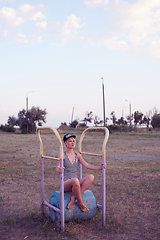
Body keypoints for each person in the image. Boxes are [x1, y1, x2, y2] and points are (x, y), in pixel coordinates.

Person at [56, 133, 106, 212]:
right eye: (70, 141)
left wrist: (99, 168)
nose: (72, 142)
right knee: (75, 180)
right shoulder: (62, 154)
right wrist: (59, 170)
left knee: (91, 177)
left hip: (75, 183)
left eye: (73, 141)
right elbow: (57, 167)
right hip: (65, 183)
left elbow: (86, 165)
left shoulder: (77, 155)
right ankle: (80, 202)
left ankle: (74, 198)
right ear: (65, 143)